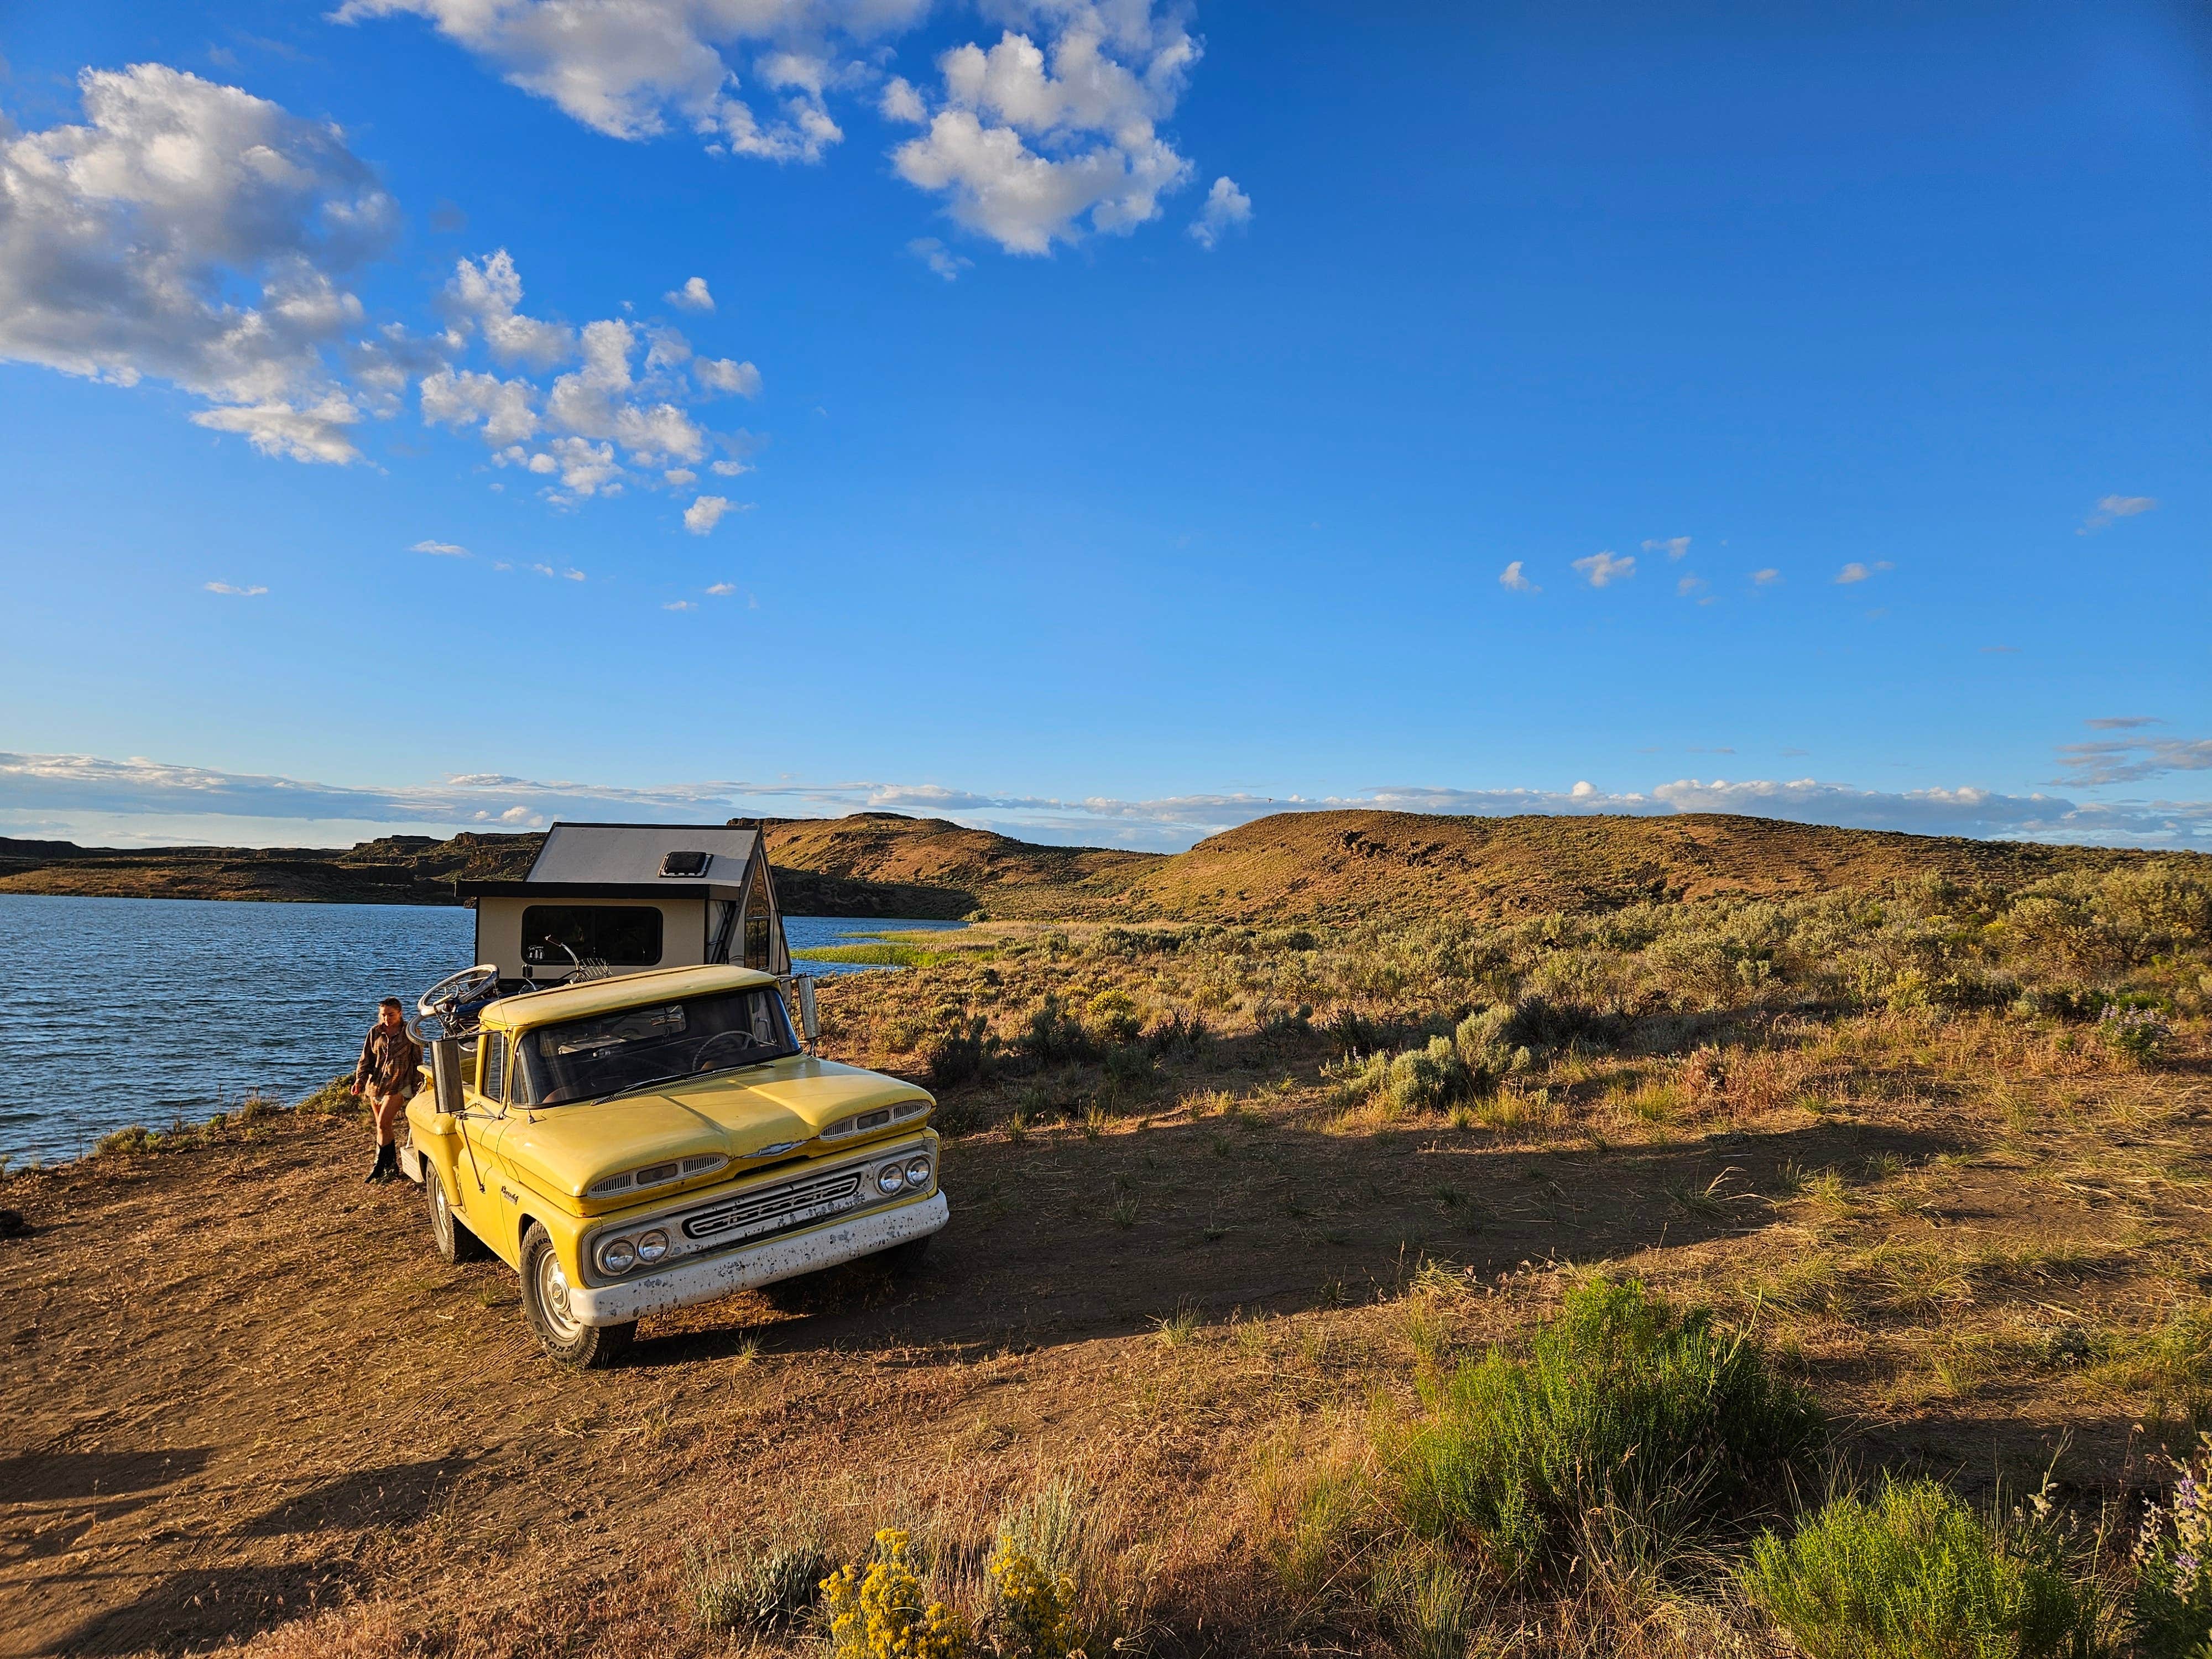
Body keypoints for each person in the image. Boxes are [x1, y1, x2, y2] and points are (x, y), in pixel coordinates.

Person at [352, 997, 422, 1184]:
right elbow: (365, 1060)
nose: (386, 1019)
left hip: (400, 1084)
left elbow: (418, 1062)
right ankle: (390, 1167)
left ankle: (378, 1165)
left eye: (391, 1015)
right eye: (383, 1015)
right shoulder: (375, 1033)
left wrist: (418, 1087)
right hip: (376, 1086)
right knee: (383, 1128)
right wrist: (359, 1081)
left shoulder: (411, 1032)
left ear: (400, 1013)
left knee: (383, 1123)